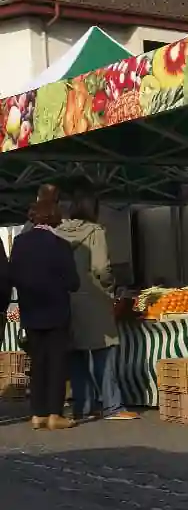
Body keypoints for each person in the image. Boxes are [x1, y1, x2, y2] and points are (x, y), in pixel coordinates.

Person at [58, 184, 138, 421]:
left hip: (69, 301)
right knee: (105, 352)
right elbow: (102, 268)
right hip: (94, 300)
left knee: (77, 355)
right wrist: (110, 286)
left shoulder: (59, 232)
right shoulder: (96, 232)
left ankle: (83, 407)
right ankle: (113, 406)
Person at [10, 188, 79, 430]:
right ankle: (54, 414)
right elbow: (73, 282)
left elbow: (13, 275)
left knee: (37, 363)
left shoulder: (19, 243)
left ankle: (37, 414)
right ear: (54, 218)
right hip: (57, 311)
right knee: (57, 363)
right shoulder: (60, 244)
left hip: (31, 311)